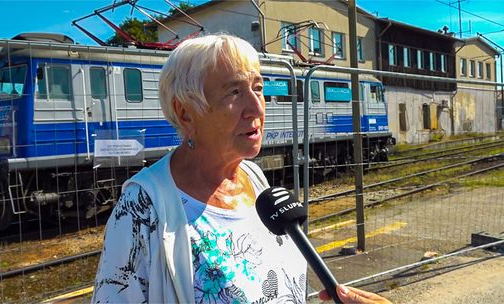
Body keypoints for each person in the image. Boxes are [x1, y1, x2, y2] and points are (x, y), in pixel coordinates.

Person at [92, 33, 392, 304]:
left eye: (258, 87)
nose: (257, 107)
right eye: (234, 92)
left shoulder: (255, 178)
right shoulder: (142, 208)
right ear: (186, 113)